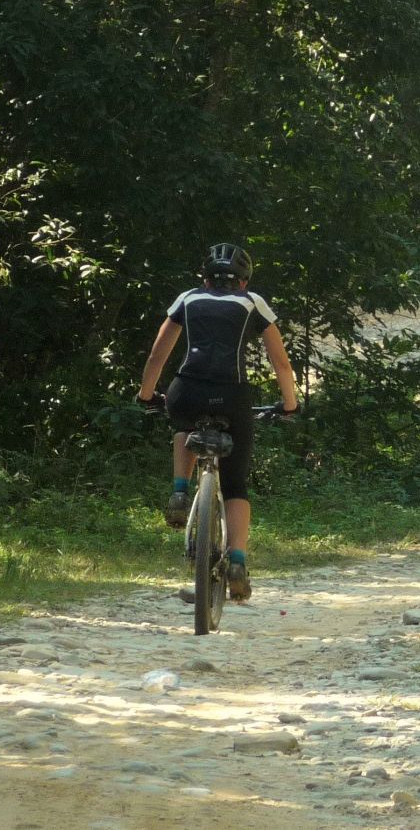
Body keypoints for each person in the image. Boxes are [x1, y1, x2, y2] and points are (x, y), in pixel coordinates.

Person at [137, 242, 299, 602]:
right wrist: (290, 405)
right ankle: (237, 563)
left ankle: (180, 490)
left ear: (205, 279)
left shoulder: (187, 299)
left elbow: (157, 355)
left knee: (182, 422)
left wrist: (146, 395)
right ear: (243, 282)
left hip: (188, 390)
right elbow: (281, 363)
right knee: (236, 483)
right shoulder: (252, 302)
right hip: (233, 395)